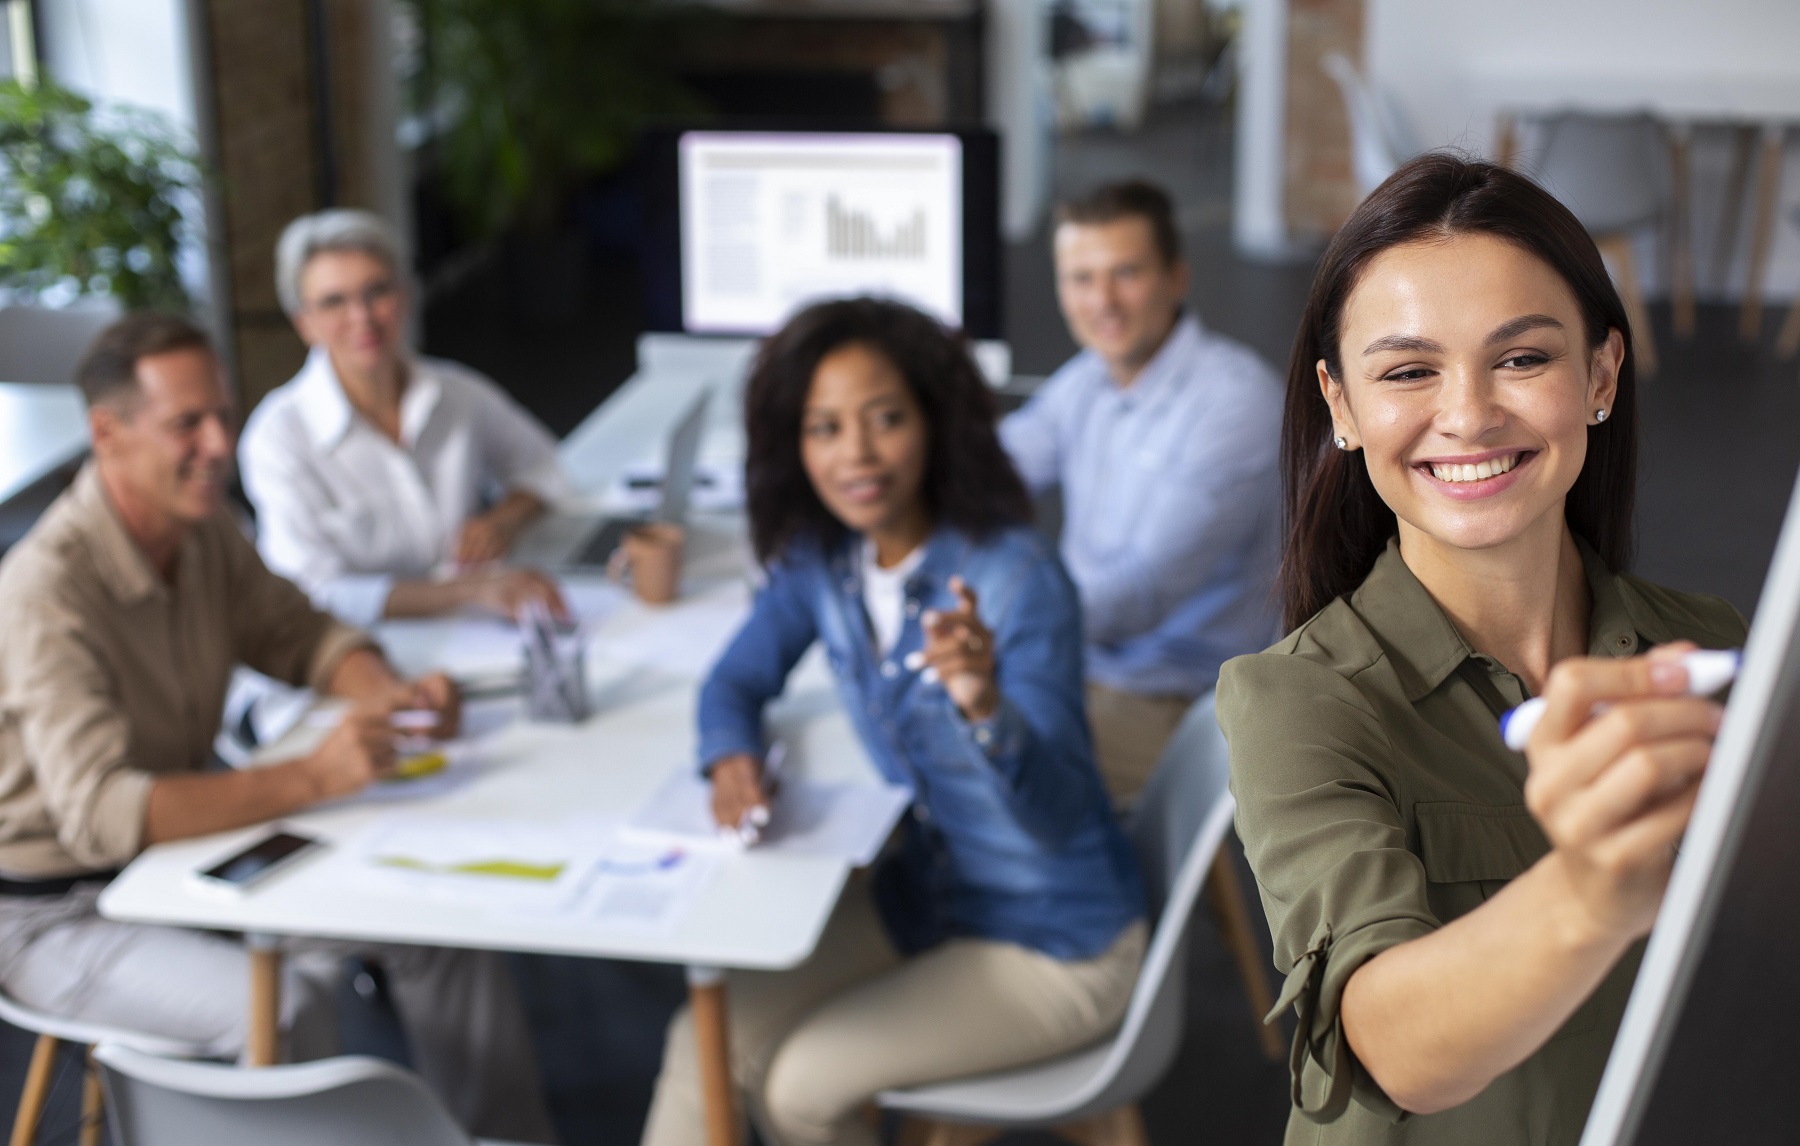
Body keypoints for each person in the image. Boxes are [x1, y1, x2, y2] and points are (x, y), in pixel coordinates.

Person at [1216, 153, 1745, 1145]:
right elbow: (1394, 1048)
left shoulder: (1712, 647)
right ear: (1341, 405)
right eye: (1409, 370)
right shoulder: (1296, 703)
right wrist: (1591, 889)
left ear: (1600, 376)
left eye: (1522, 358)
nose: (1466, 414)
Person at [0, 313, 559, 1144]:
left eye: (222, 414)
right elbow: (101, 812)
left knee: (440, 925)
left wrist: (387, 696)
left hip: (182, 862)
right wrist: (316, 777)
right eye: (188, 423)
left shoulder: (202, 530)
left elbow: (301, 633)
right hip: (58, 911)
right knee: (284, 1005)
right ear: (106, 434)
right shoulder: (47, 589)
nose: (221, 443)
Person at [640, 298, 1146, 1146]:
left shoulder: (1016, 578)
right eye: (825, 428)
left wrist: (984, 707)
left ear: (933, 421)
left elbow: (1059, 813)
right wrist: (729, 756)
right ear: (792, 446)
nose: (856, 455)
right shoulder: (823, 559)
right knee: (702, 1039)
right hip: (927, 905)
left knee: (799, 1089)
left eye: (884, 419)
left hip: (1053, 939)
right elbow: (732, 679)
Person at [1001, 178, 1283, 805]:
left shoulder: (1234, 404)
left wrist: (998, 620)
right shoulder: (1091, 379)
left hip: (1171, 701)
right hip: (1081, 667)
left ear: (1176, 277)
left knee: (958, 753)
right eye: (1080, 278)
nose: (1101, 301)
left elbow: (1142, 594)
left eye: (1125, 273)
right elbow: (993, 471)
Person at [240, 208, 571, 627]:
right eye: (334, 302)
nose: (362, 317)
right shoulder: (278, 437)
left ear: (405, 295)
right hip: (372, 646)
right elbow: (312, 589)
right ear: (304, 323)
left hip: (477, 628)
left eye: (376, 291)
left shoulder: (455, 393)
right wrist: (469, 590)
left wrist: (501, 520)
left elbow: (544, 466)